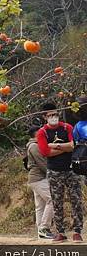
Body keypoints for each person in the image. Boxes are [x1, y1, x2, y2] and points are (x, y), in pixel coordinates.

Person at [36, 102, 84, 242]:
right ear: (45, 117)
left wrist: (54, 145)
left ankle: (77, 231)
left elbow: (72, 146)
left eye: (55, 114)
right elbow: (45, 152)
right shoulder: (42, 132)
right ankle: (61, 232)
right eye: (50, 115)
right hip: (54, 172)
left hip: (71, 170)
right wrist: (65, 147)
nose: (53, 117)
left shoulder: (67, 127)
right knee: (57, 202)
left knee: (76, 200)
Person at [26, 125, 54, 239]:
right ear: (36, 134)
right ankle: (44, 228)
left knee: (40, 205)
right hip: (38, 178)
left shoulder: (34, 145)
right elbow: (42, 163)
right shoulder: (34, 146)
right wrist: (52, 174)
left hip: (35, 179)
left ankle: (40, 231)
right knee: (52, 200)